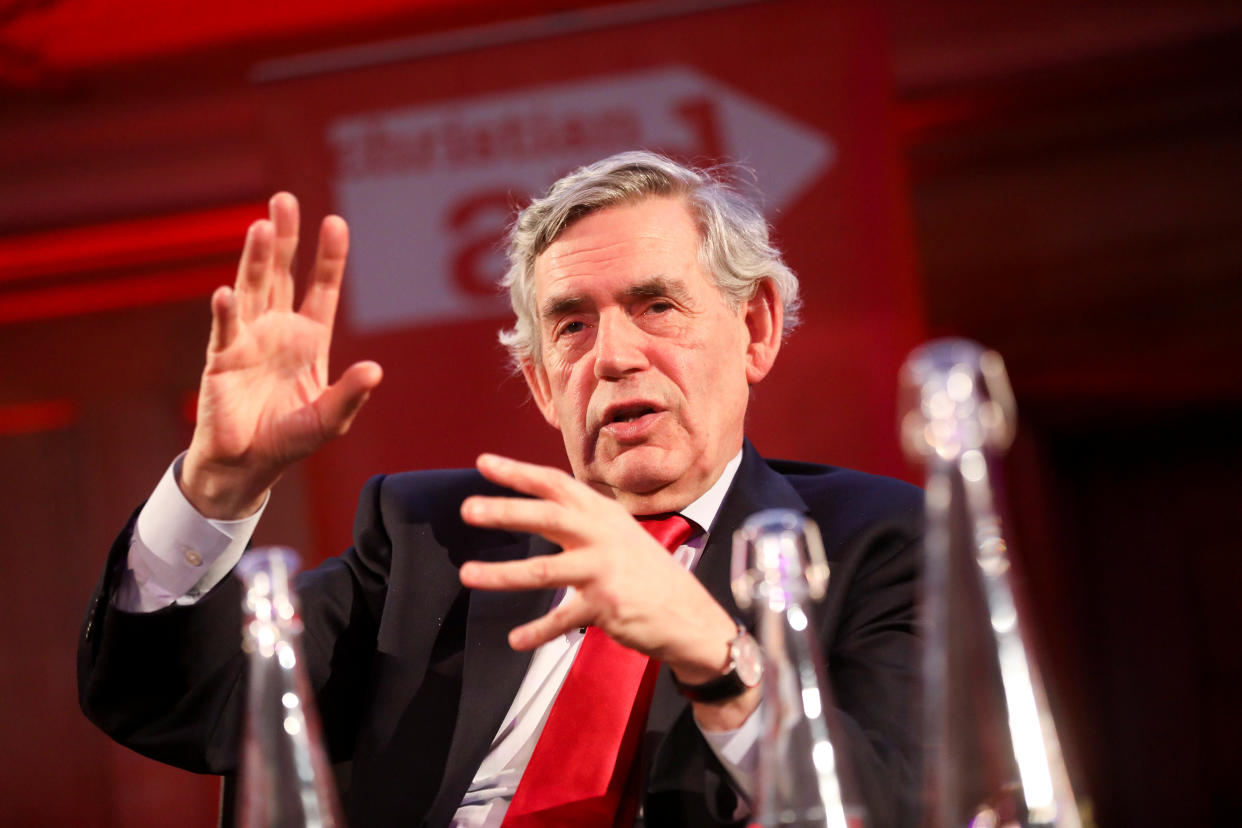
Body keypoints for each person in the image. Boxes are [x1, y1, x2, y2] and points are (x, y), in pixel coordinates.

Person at [78, 151, 922, 827]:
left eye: (657, 305)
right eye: (572, 326)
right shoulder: (430, 539)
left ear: (757, 327)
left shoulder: (871, 543)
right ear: (542, 381)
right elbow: (180, 704)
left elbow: (894, 807)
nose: (615, 356)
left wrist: (718, 655)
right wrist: (217, 486)